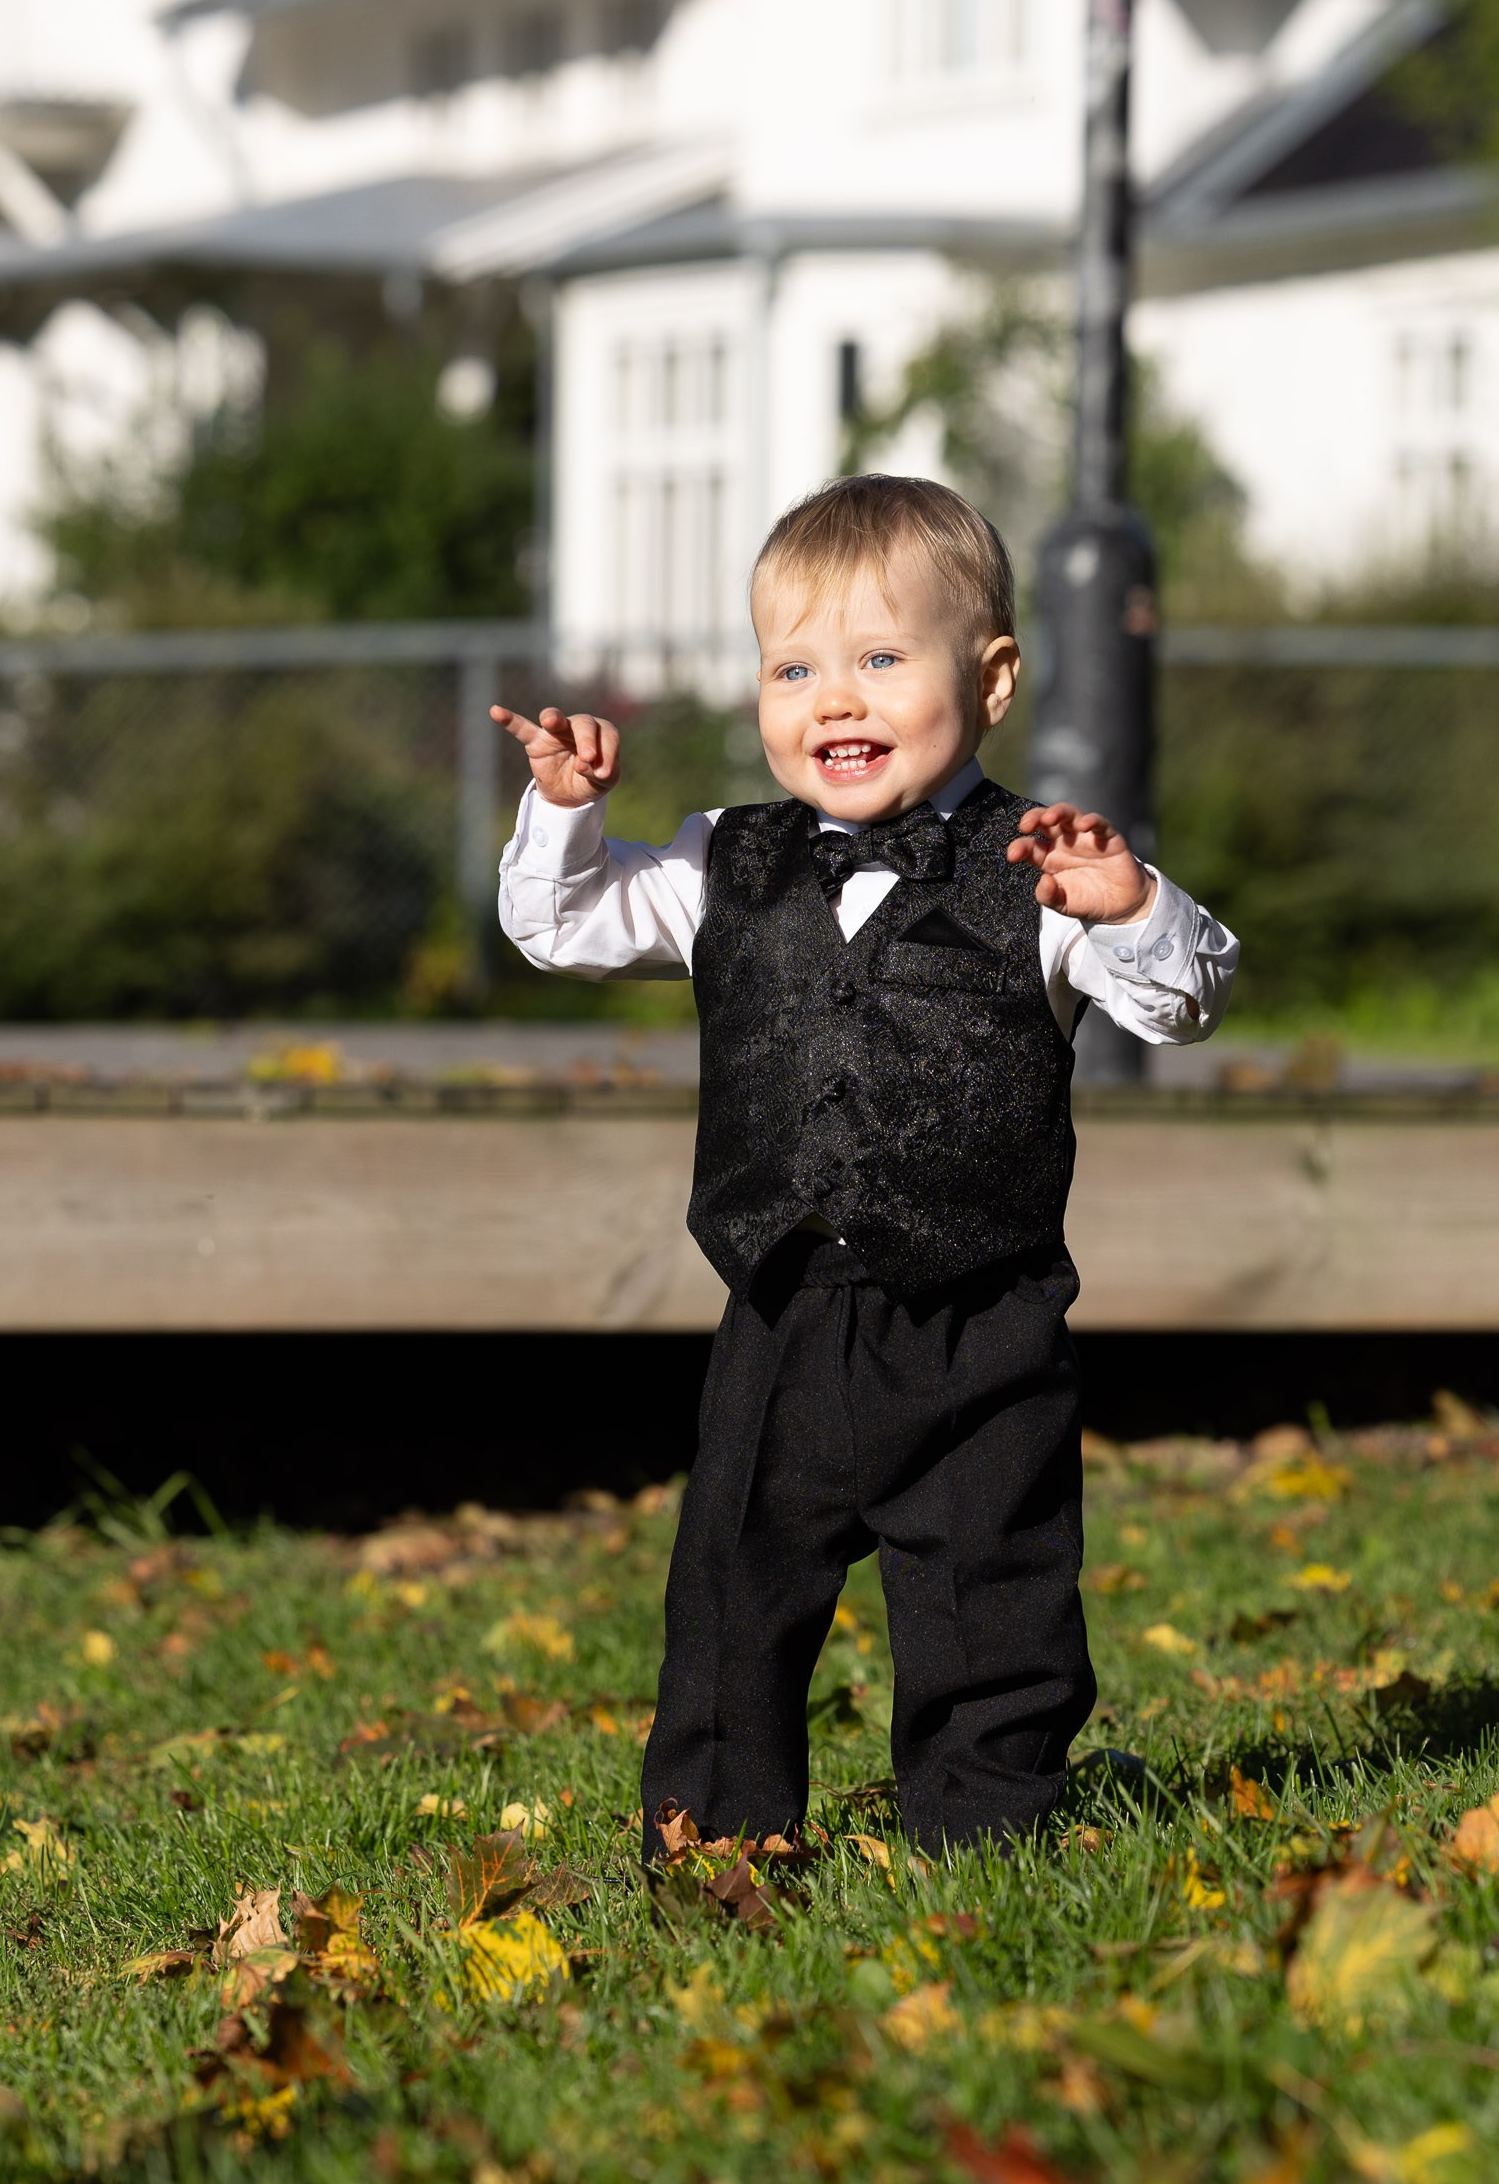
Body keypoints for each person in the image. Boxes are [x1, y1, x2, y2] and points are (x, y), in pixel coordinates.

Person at [494, 472, 1237, 1859]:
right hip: (779, 1310)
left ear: (994, 676)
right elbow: (565, 926)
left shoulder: (1041, 871)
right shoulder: (730, 860)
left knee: (990, 1586)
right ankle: (717, 1829)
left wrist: (1130, 904)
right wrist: (564, 814)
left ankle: (986, 1821)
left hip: (979, 1321)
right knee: (732, 1582)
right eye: (795, 667)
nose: (834, 698)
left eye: (881, 660)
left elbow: (1182, 1002)